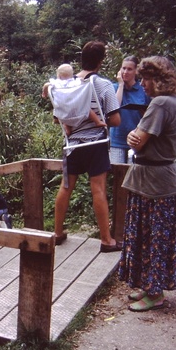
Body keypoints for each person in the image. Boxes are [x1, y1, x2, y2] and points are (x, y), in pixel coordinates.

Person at [118, 56, 176, 312]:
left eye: (146, 78)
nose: (142, 83)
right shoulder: (171, 101)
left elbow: (137, 141)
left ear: (159, 79)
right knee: (149, 234)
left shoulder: (162, 104)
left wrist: (136, 135)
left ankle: (155, 294)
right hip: (156, 178)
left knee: (154, 237)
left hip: (155, 182)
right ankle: (149, 286)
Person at [52, 41, 121, 252]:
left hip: (72, 144)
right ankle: (106, 240)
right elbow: (115, 119)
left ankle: (57, 232)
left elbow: (58, 118)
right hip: (96, 142)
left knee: (66, 188)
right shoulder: (103, 84)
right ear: (100, 62)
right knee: (98, 189)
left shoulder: (66, 84)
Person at [42, 63, 107, 135]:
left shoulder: (56, 83)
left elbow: (46, 85)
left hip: (64, 114)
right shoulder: (75, 82)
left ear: (59, 76)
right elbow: (83, 81)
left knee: (63, 113)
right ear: (72, 75)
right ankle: (97, 121)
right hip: (80, 111)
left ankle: (67, 128)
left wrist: (44, 93)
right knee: (88, 108)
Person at [110, 56, 152, 163]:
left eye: (129, 69)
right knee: (118, 174)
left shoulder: (143, 89)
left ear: (136, 71)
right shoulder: (114, 88)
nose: (125, 72)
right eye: (123, 68)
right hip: (117, 140)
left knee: (133, 174)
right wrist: (121, 86)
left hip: (136, 139)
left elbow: (150, 114)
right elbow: (113, 108)